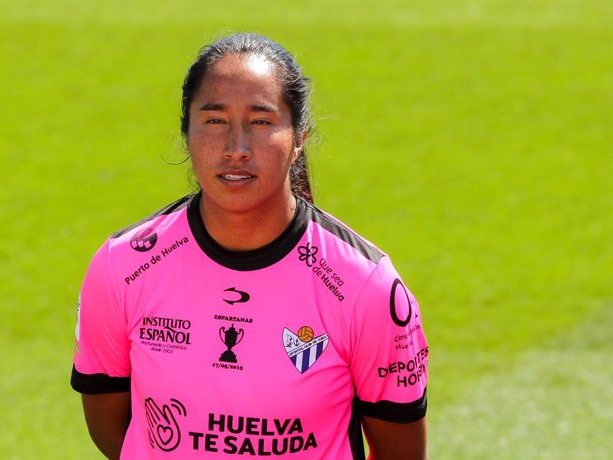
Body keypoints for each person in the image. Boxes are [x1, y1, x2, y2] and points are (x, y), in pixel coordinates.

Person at [71, 32, 429, 459]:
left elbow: (400, 451)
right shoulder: (123, 266)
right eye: (215, 120)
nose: (236, 148)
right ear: (186, 132)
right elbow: (110, 425)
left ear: (299, 138)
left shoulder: (362, 285)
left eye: (261, 122)